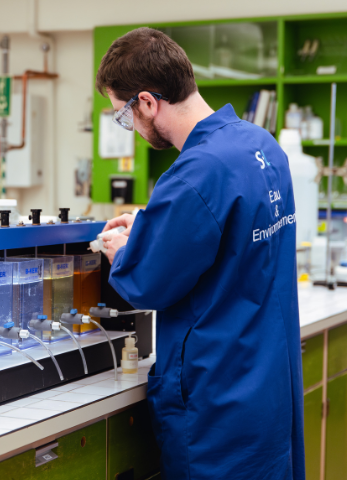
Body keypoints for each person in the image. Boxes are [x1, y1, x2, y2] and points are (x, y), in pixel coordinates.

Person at [95, 27, 304, 480]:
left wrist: (126, 249)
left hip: (219, 397)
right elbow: (226, 243)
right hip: (268, 382)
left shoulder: (195, 172)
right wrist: (153, 228)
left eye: (123, 115)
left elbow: (149, 281)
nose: (129, 127)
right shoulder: (260, 145)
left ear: (147, 102)